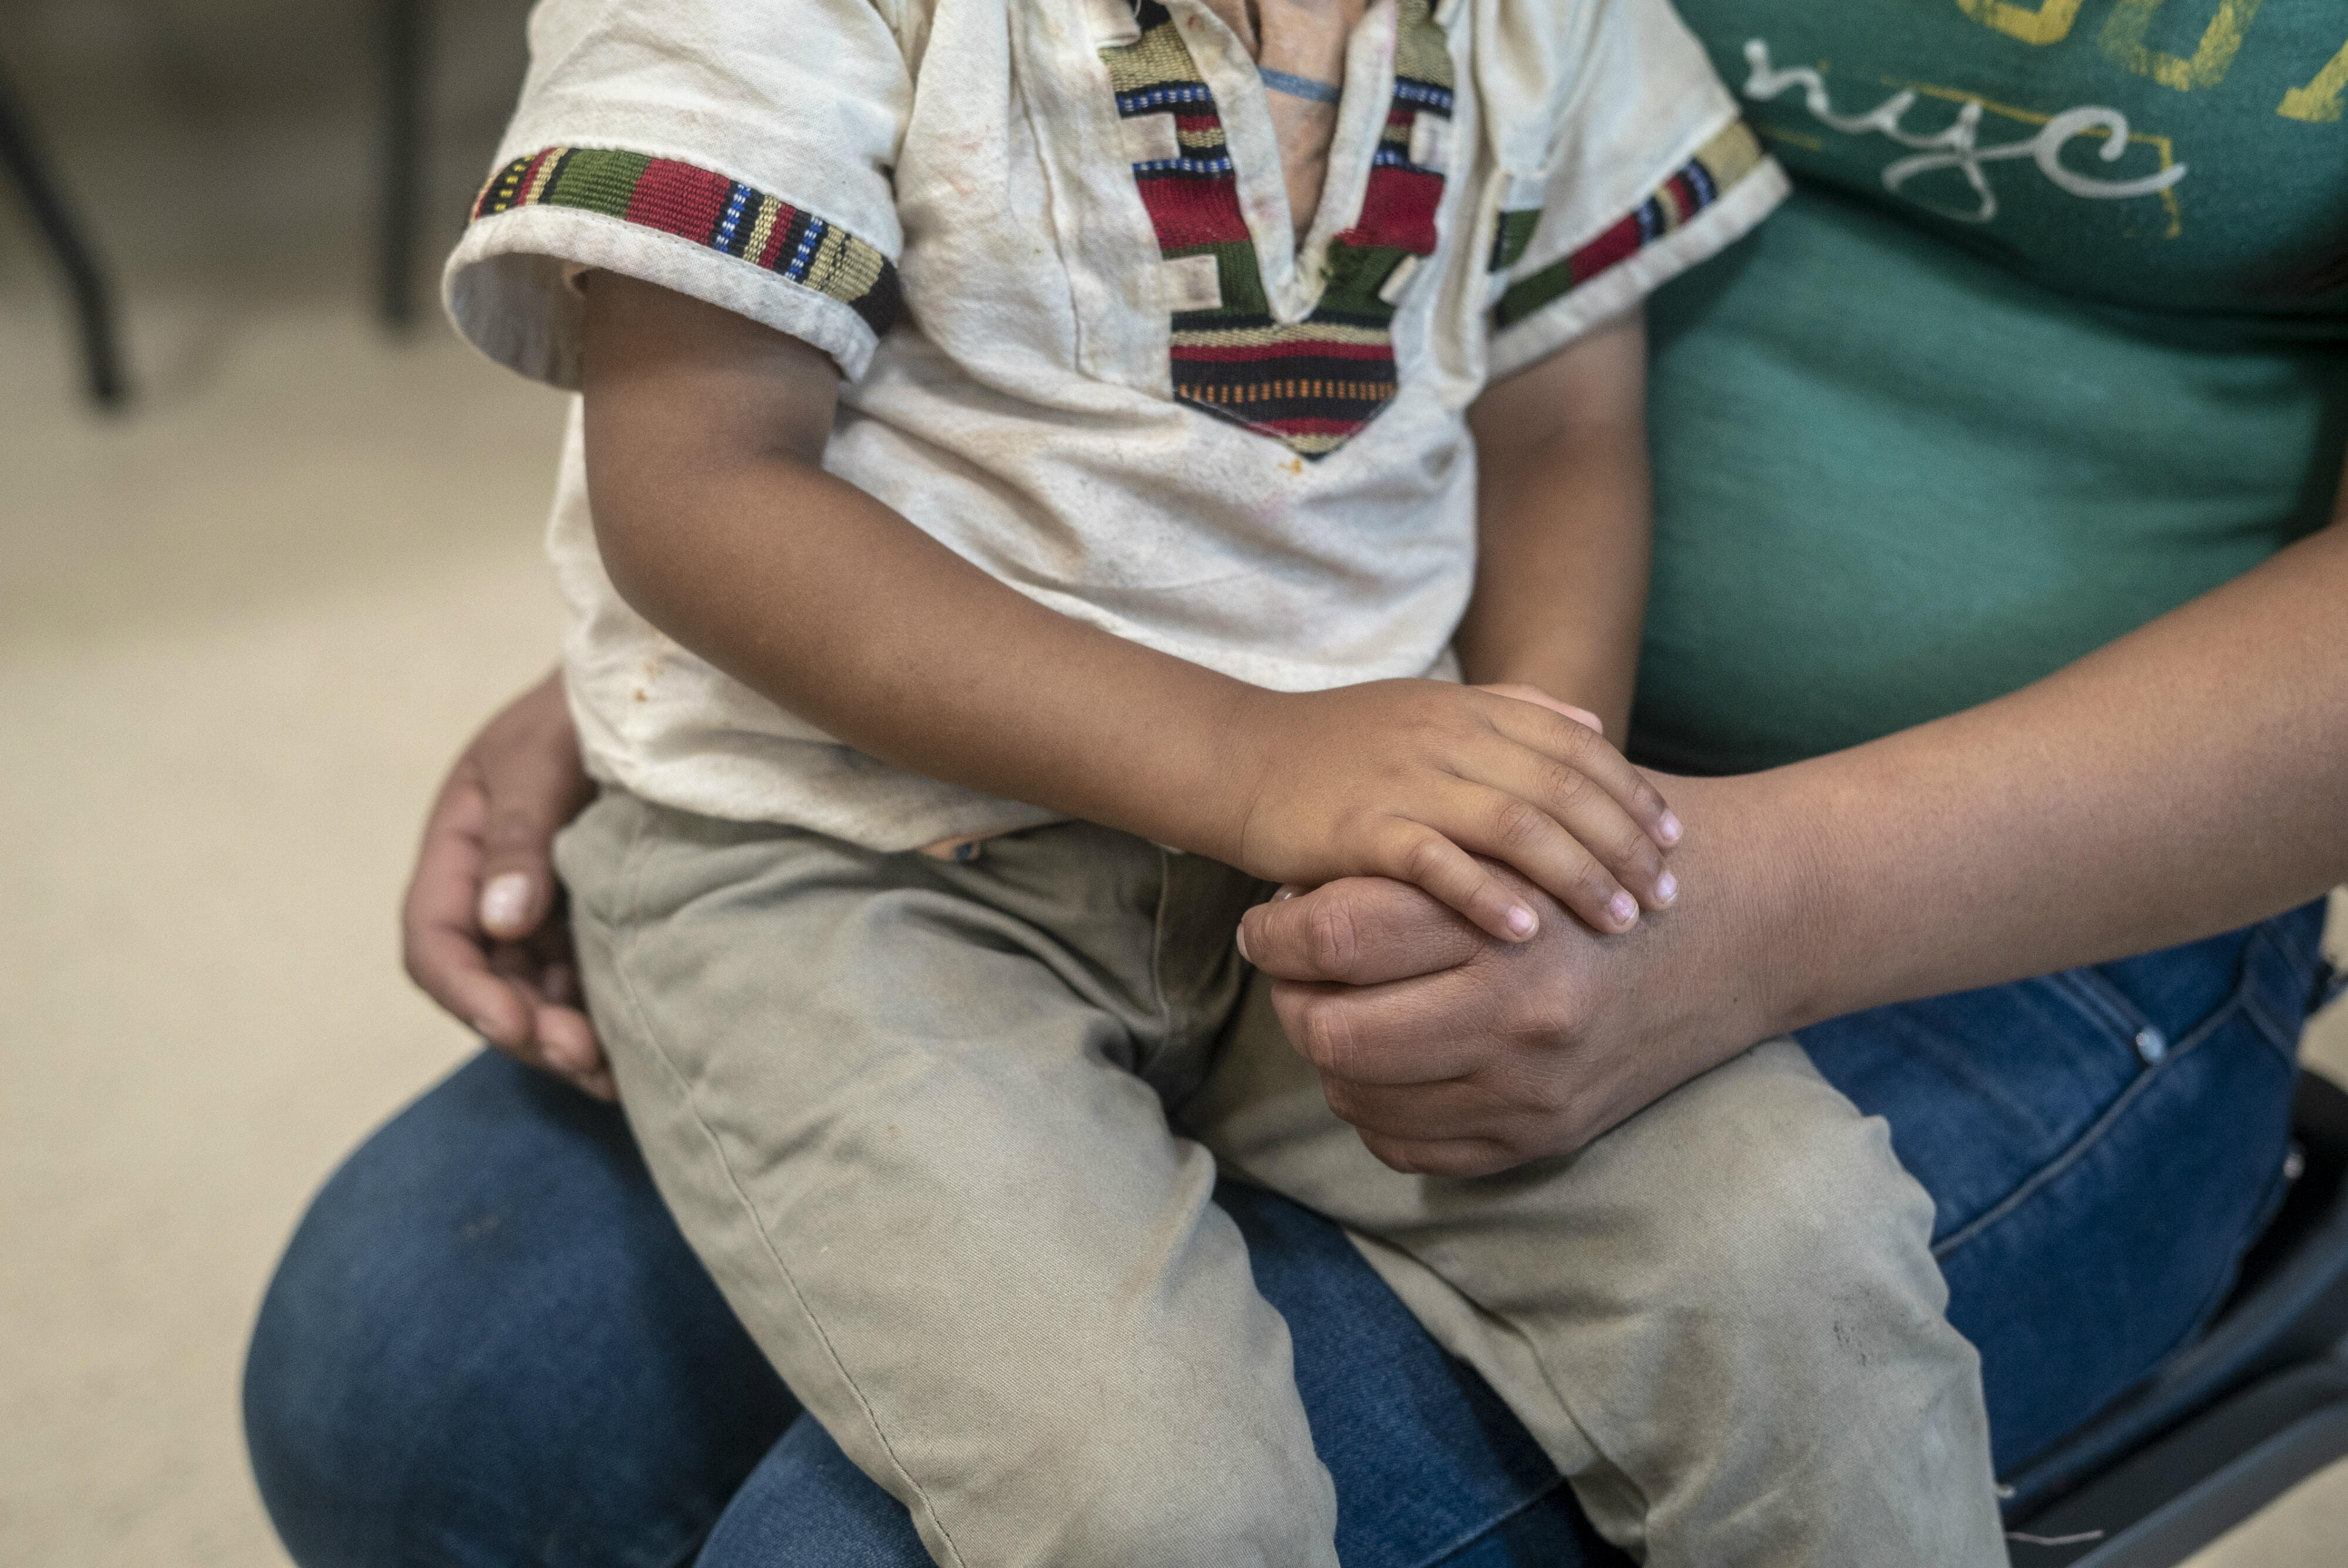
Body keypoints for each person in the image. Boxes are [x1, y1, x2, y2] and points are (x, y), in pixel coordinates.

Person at [244, 2, 2348, 1564]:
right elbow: (693, 490)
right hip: (847, 859)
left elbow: (1558, 420)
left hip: (1441, 803)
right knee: (1110, 1483)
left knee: (1799, 1263)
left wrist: (1539, 810)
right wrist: (1241, 751)